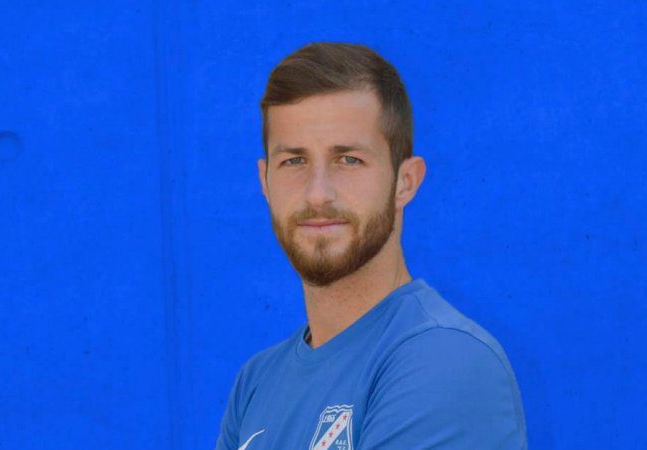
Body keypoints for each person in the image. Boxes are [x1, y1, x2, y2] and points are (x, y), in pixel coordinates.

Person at [214, 42, 528, 450]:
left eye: (348, 159)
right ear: (265, 181)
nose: (317, 193)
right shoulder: (256, 384)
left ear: (405, 182)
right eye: (294, 161)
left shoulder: (446, 358)